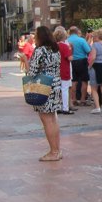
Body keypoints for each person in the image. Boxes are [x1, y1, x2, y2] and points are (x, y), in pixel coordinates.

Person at [27, 26, 63, 162]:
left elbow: (32, 72)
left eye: (36, 35)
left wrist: (26, 61)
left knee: (46, 120)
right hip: (56, 85)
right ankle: (57, 149)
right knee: (53, 119)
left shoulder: (40, 51)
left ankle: (53, 151)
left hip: (43, 86)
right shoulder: (55, 49)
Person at [67, 26, 91, 108]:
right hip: (82, 61)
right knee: (84, 81)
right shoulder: (81, 40)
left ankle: (73, 99)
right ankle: (82, 100)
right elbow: (88, 51)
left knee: (73, 81)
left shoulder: (67, 40)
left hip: (71, 62)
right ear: (77, 32)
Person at [53, 27, 74, 115]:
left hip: (55, 71)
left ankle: (57, 107)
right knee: (65, 90)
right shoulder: (65, 46)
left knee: (57, 90)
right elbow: (70, 58)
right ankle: (65, 108)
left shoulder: (53, 46)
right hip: (64, 70)